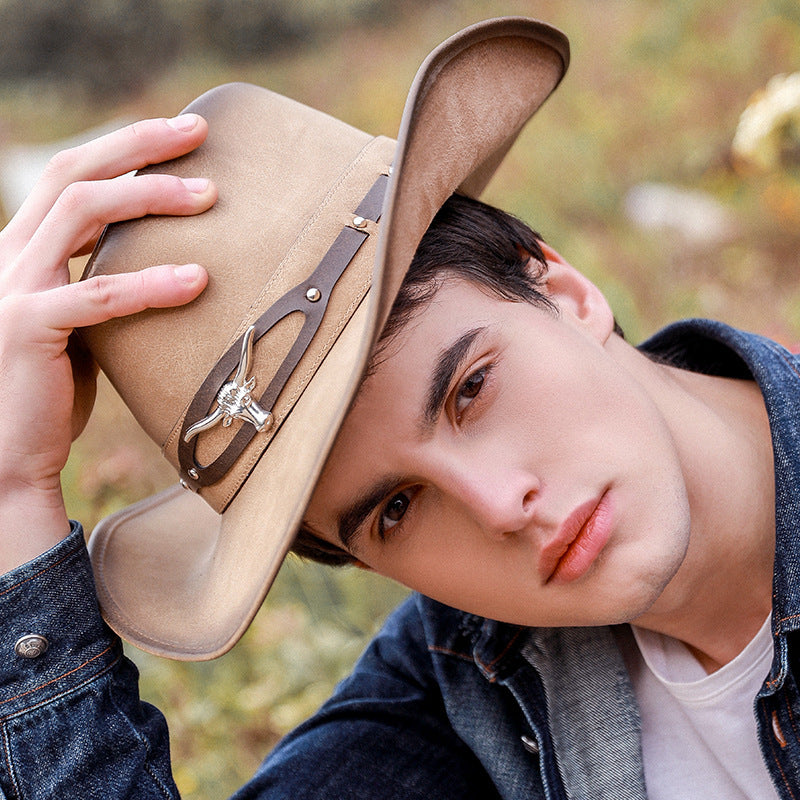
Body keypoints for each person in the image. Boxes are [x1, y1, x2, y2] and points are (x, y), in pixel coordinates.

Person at [0, 15, 795, 800]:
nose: (498, 506)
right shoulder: (462, 683)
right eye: (397, 508)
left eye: (470, 389)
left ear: (562, 288)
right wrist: (12, 497)